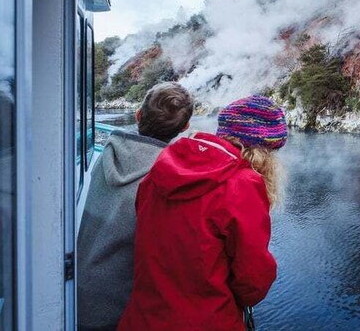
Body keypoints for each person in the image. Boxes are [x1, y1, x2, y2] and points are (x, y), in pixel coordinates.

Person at [118, 95, 286, 331]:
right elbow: (253, 281)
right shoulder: (242, 184)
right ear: (262, 152)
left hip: (142, 319)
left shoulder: (163, 164)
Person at [77, 82, 194, 331]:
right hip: (121, 308)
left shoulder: (108, 153)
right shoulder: (168, 179)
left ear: (139, 115)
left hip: (77, 290)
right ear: (185, 127)